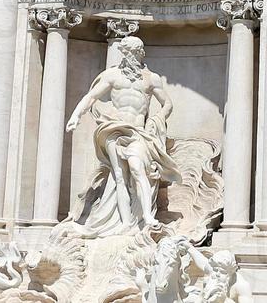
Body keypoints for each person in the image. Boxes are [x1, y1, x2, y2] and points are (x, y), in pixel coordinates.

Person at [64, 35, 181, 234]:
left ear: (141, 53)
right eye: (127, 53)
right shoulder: (112, 75)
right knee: (119, 175)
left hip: (138, 131)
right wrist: (75, 115)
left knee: (138, 170)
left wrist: (157, 119)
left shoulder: (151, 78)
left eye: (134, 53)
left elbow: (167, 104)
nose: (130, 57)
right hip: (114, 128)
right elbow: (91, 97)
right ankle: (126, 222)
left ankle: (147, 216)